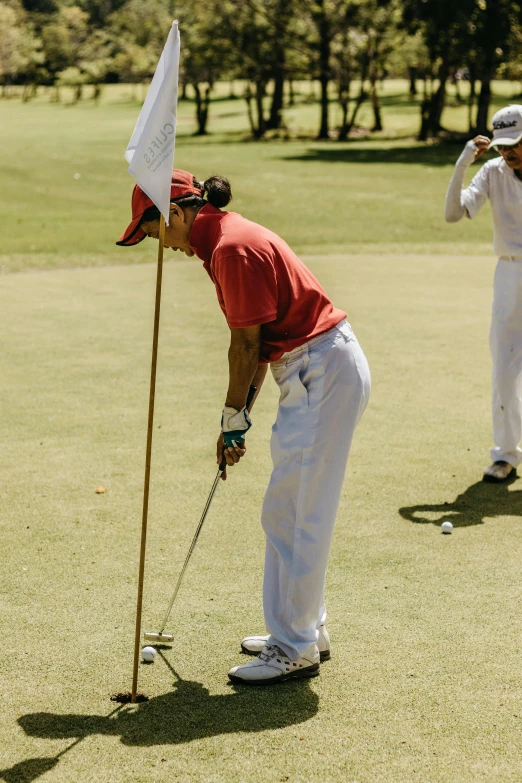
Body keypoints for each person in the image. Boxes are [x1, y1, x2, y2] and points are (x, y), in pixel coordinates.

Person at [117, 169, 371, 684]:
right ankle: (306, 627)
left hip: (319, 370)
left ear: (176, 213)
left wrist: (232, 418)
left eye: (154, 233)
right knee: (292, 508)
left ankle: (294, 644)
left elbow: (247, 345)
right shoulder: (223, 242)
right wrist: (239, 420)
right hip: (313, 367)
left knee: (295, 512)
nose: (161, 246)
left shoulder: (230, 248)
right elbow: (255, 346)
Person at [445, 104, 522, 483]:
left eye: (515, 143)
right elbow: (452, 214)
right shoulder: (493, 172)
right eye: (503, 145)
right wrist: (463, 162)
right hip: (509, 274)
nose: (508, 151)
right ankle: (505, 455)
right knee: (503, 370)